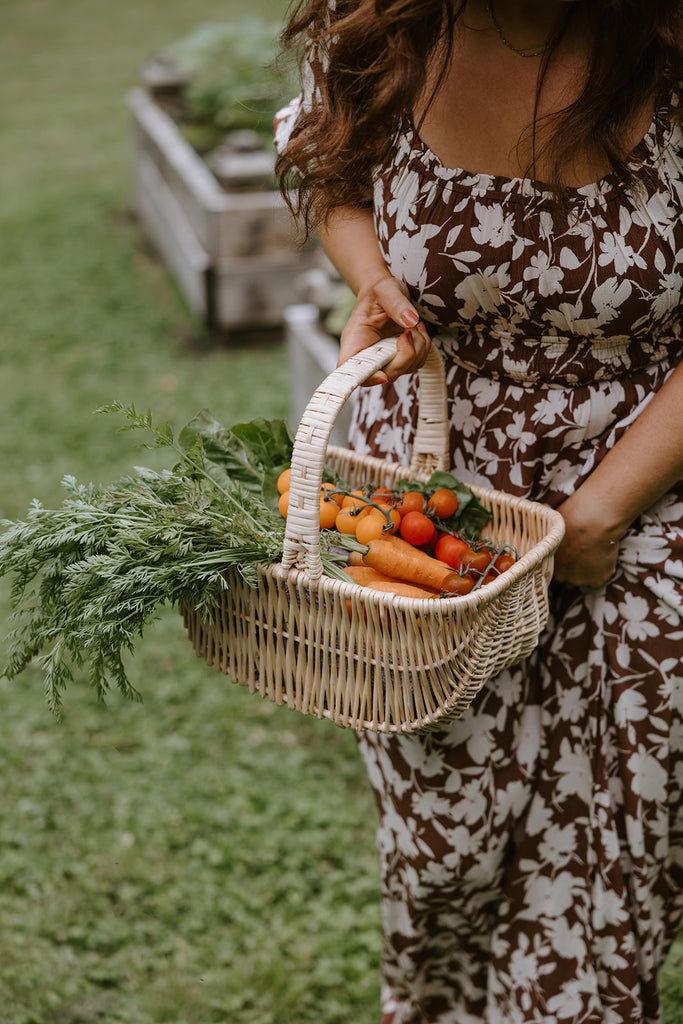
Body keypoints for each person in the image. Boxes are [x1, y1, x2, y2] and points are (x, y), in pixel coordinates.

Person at [274, 1, 683, 1021]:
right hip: (432, 531)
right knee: (438, 870)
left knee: (593, 896)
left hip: (641, 520)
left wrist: (593, 517)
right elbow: (328, 167)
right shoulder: (385, 30)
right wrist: (374, 279)